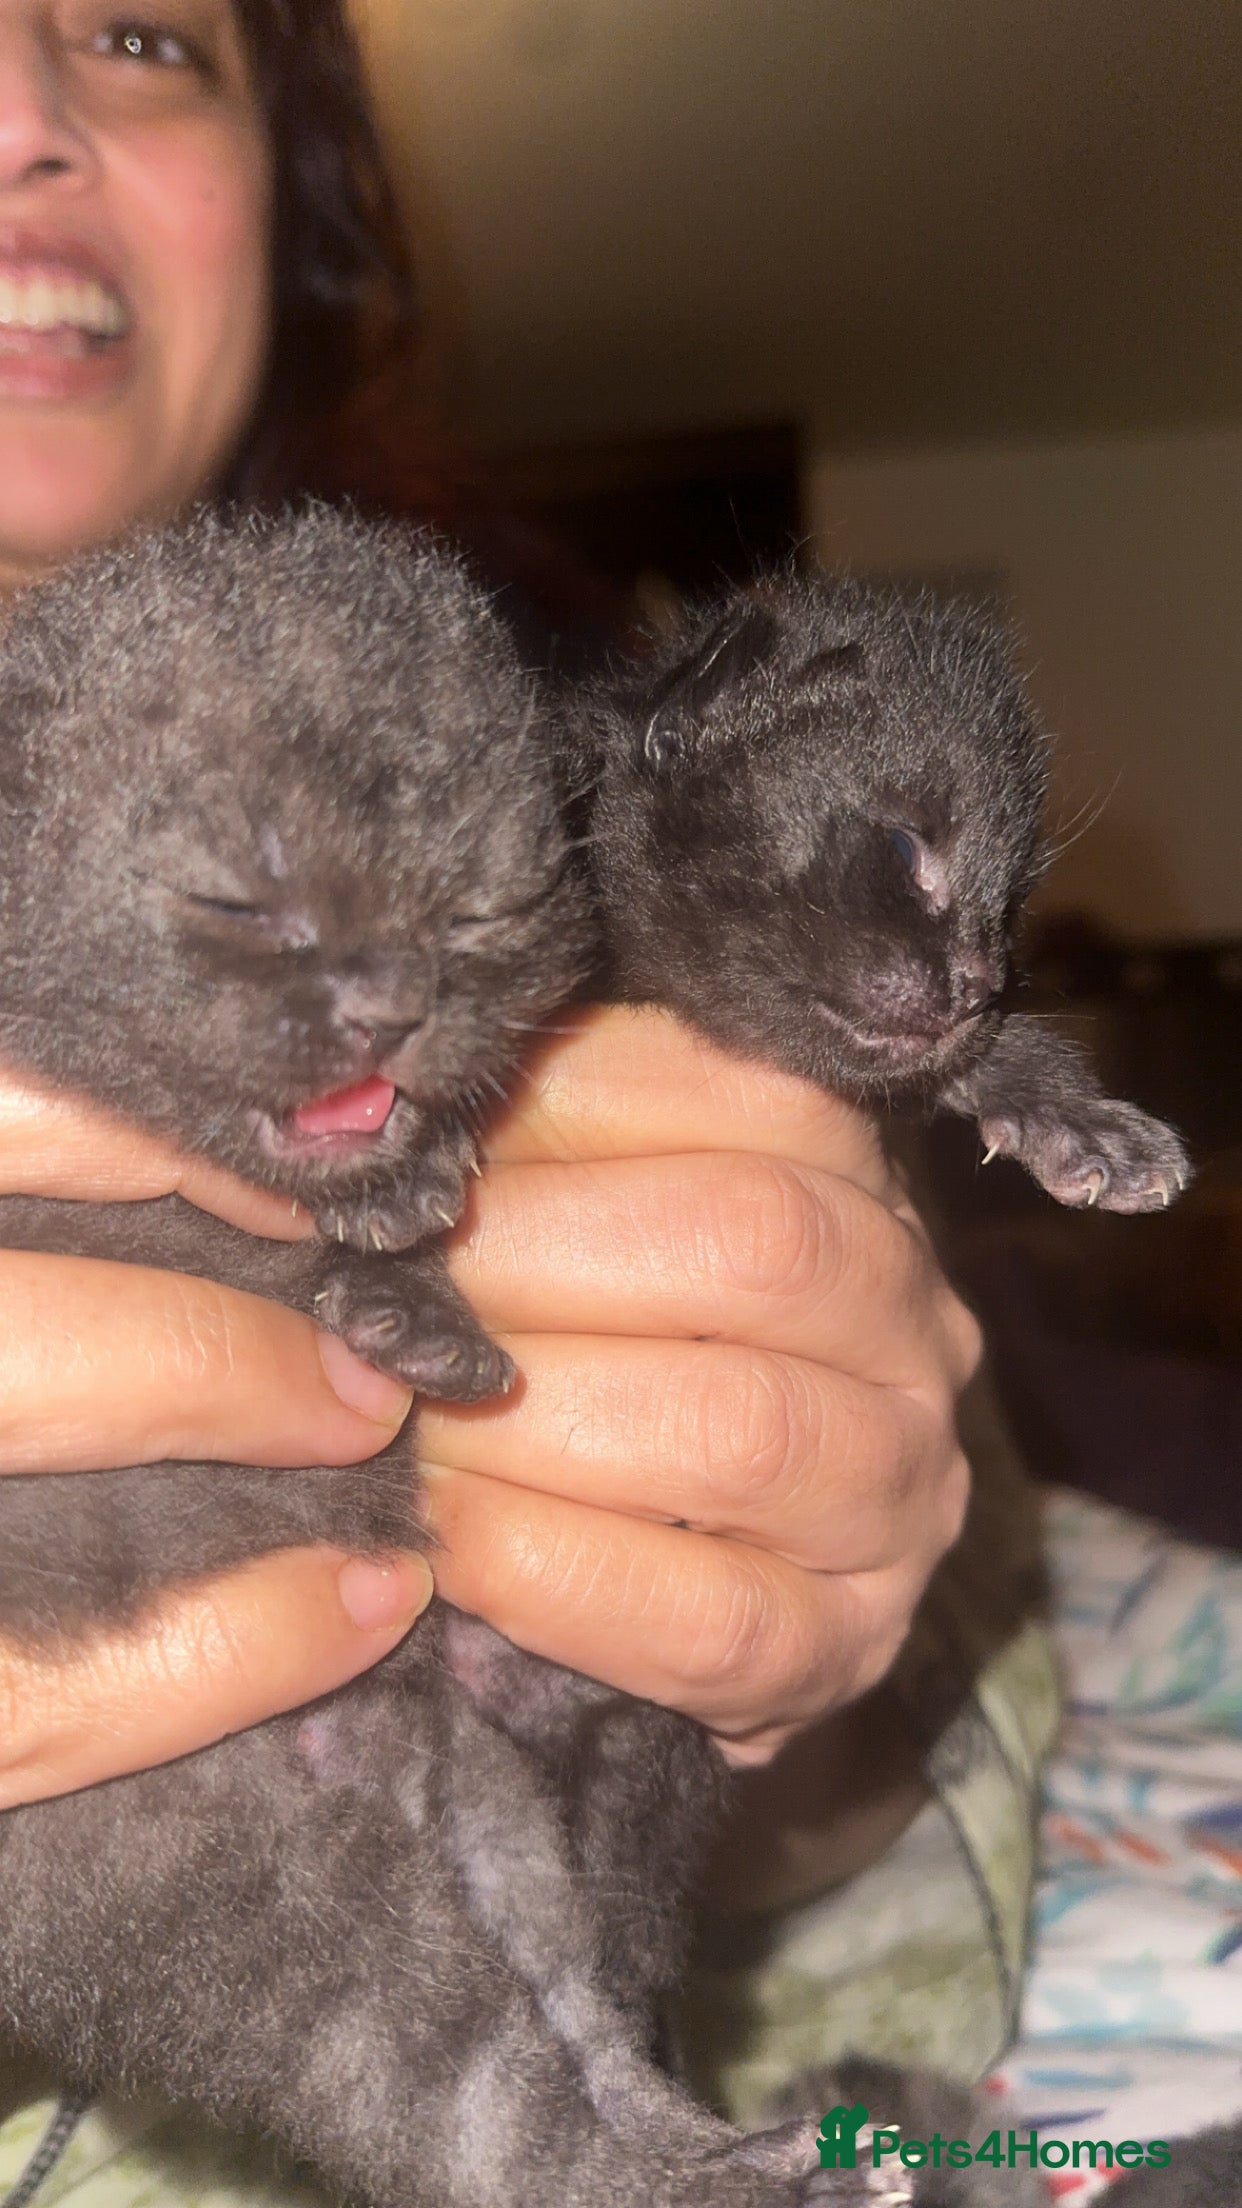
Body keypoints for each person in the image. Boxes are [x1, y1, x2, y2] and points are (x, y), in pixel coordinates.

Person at [0, 1, 1055, 2194]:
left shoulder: (602, 739)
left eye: (130, 31)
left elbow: (873, 1741)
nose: (20, 121)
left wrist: (815, 1612)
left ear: (290, 201)